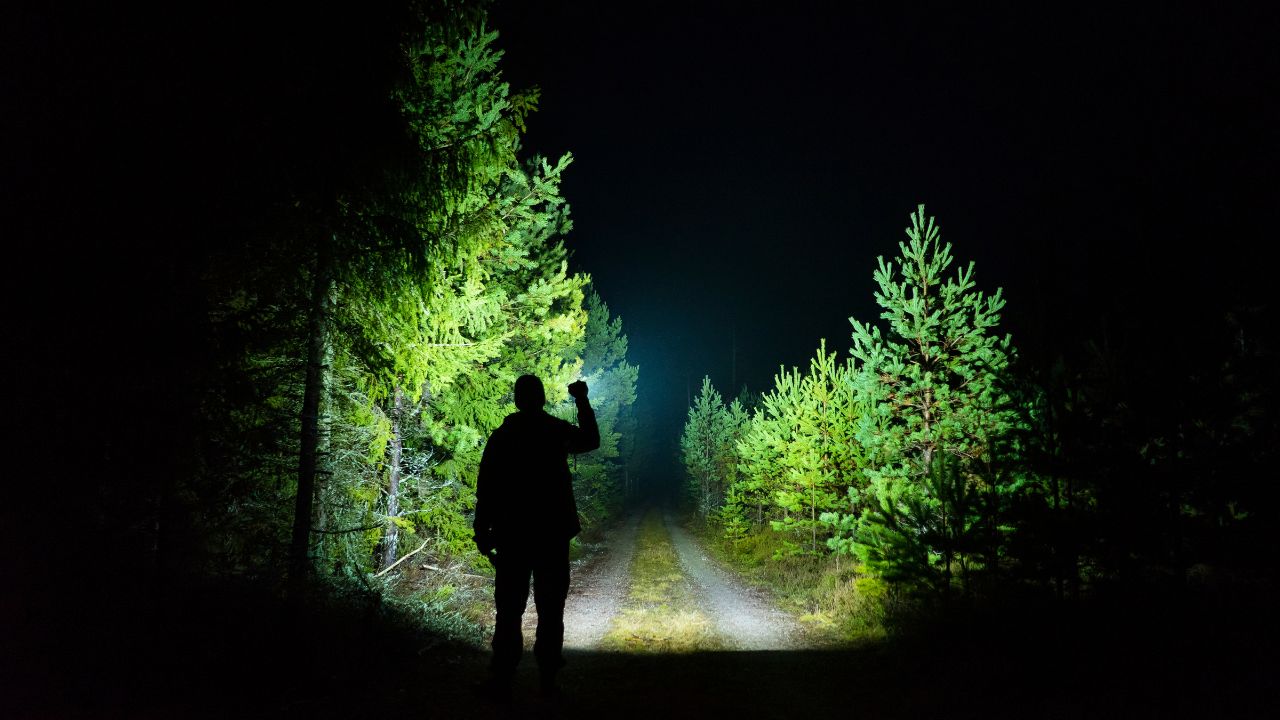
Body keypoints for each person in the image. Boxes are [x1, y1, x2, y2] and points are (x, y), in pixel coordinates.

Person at [473, 374, 599, 700]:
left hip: (512, 536)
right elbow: (590, 439)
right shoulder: (554, 431)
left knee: (510, 610)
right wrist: (581, 400)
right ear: (541, 398)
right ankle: (547, 681)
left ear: (517, 399)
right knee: (550, 608)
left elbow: (486, 487)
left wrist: (482, 531)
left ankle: (503, 679)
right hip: (550, 536)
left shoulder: (503, 436)